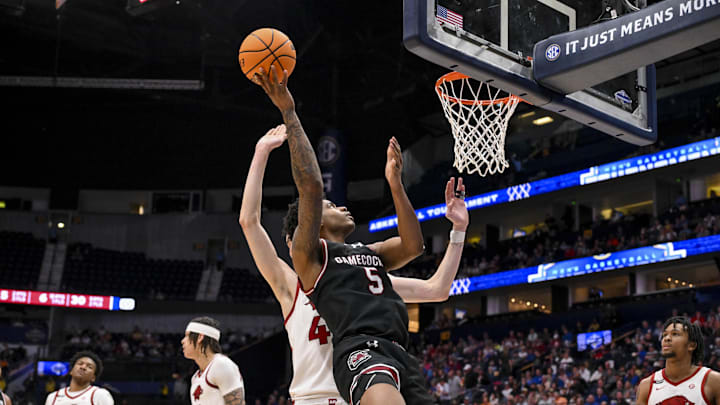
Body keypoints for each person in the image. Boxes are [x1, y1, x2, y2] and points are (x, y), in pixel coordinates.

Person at [254, 65, 464, 404]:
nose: (341, 206)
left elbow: (414, 245)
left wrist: (396, 185)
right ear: (314, 223)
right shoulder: (312, 257)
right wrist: (289, 112)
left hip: (399, 352)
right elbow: (309, 185)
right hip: (360, 350)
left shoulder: (369, 254)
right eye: (331, 205)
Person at [635, 316, 720, 404]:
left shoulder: (713, 381)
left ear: (691, 345)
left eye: (675, 334)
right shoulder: (646, 386)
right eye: (664, 335)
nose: (666, 338)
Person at [181, 317, 245, 405]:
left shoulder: (221, 365)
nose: (182, 341)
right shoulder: (195, 377)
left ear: (200, 337)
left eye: (187, 336)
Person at [44, 351, 113, 405]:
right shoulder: (53, 397)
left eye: (89, 367)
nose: (83, 367)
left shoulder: (100, 394)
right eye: (80, 363)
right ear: (71, 371)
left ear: (93, 377)